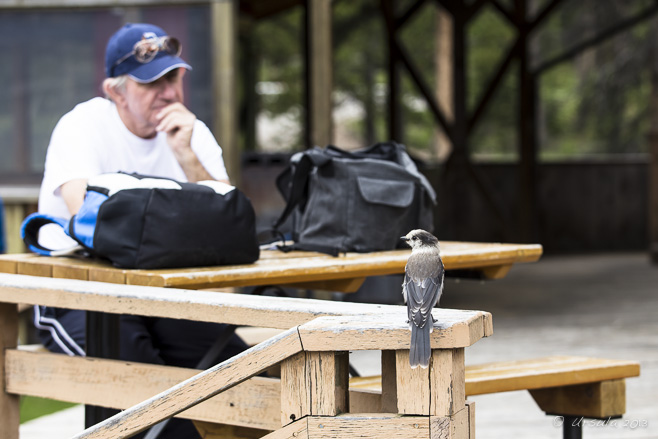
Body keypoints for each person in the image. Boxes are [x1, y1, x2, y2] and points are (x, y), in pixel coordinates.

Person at [35, 23, 246, 438]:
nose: (168, 92)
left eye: (174, 77)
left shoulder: (192, 131)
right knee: (154, 403)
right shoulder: (82, 125)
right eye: (151, 82)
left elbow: (232, 223)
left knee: (251, 379)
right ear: (116, 91)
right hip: (78, 297)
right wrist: (185, 219)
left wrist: (186, 156)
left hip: (162, 298)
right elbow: (90, 220)